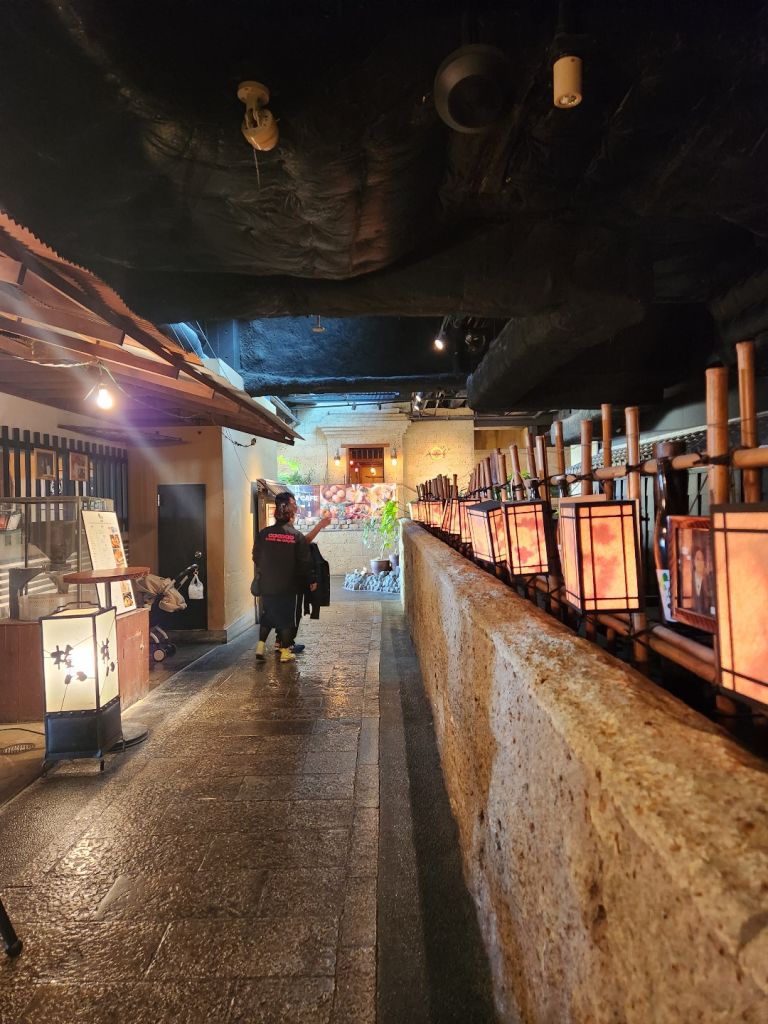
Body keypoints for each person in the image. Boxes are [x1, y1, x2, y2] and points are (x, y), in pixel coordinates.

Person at [253, 500, 317, 663]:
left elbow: (256, 555)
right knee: (288, 619)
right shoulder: (296, 536)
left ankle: (260, 647)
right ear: (290, 516)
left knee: (268, 615)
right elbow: (305, 561)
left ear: (275, 516)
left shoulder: (264, 533)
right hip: (289, 585)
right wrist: (311, 579)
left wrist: (266, 569)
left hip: (268, 584)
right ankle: (285, 653)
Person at [271, 491, 331, 653]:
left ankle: (280, 641)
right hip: (290, 579)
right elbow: (303, 543)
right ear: (284, 506)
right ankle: (287, 644)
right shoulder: (286, 529)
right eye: (293, 504)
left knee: (282, 609)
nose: (296, 507)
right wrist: (319, 526)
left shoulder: (274, 530)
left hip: (277, 578)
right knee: (293, 611)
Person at [691, 544, 713, 615]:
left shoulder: (709, 579)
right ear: (693, 561)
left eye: (702, 559)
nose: (700, 562)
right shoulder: (689, 579)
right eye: (697, 559)